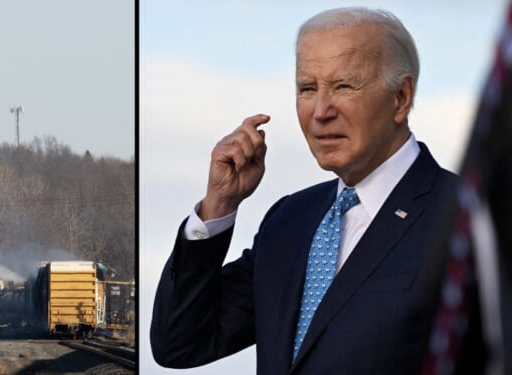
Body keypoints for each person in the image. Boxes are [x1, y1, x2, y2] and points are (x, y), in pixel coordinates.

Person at [150, 7, 458, 374]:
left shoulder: (466, 218)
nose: (320, 111)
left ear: (401, 98)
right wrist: (218, 206)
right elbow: (179, 344)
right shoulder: (289, 221)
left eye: (344, 86)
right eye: (307, 89)